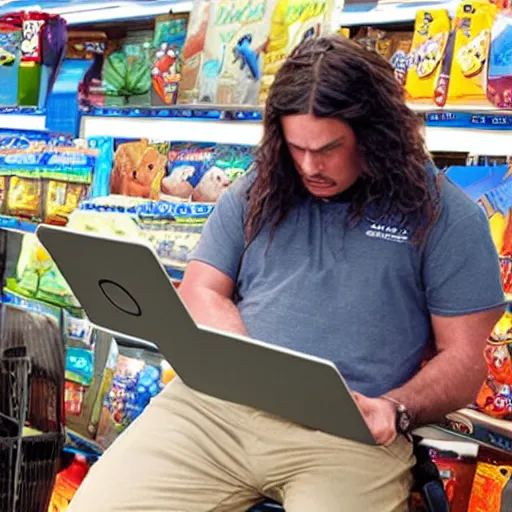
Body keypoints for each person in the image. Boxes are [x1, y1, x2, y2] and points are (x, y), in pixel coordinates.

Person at [68, 35, 505, 512]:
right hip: (214, 410)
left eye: (329, 148)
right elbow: (202, 288)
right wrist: (243, 358)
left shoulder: (446, 215)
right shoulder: (260, 187)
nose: (310, 166)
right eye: (296, 148)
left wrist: (395, 410)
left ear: (377, 135)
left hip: (347, 436)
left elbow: (464, 360)